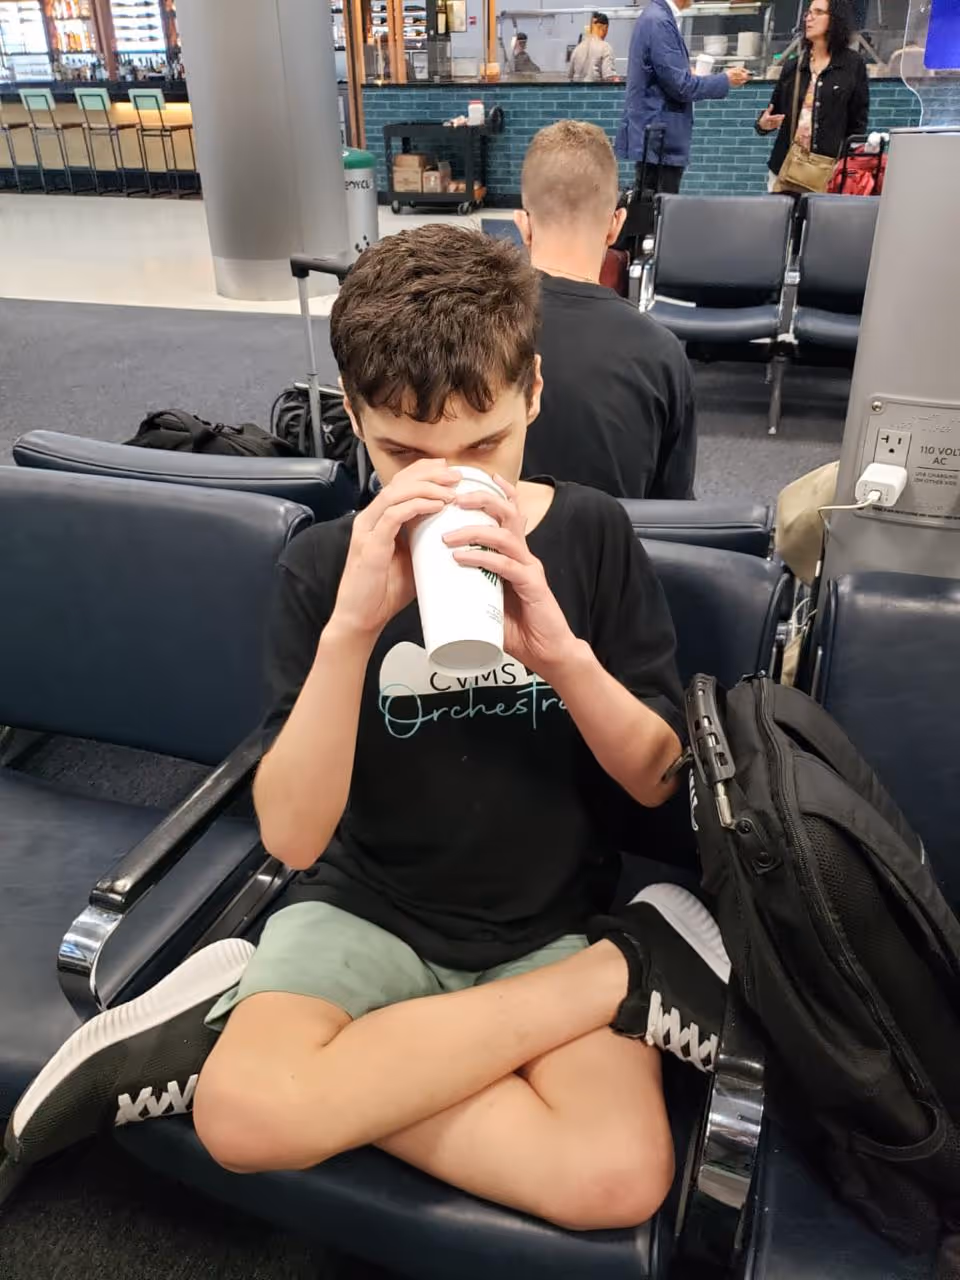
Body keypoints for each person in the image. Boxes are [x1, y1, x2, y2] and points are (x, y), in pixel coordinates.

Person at [5, 226, 732, 1233]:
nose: (444, 482)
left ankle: (261, 1036)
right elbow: (296, 839)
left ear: (532, 393)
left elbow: (658, 780)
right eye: (401, 454)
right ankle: (631, 968)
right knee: (241, 1117)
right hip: (366, 908)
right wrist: (353, 626)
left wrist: (562, 653)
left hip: (547, 921)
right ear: (354, 419)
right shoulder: (322, 568)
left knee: (615, 1177)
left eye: (481, 446)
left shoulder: (595, 531)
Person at [516, 120, 696, 500]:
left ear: (523, 225)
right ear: (616, 225)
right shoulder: (661, 352)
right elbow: (673, 509)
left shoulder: (470, 331)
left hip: (487, 553)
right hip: (617, 554)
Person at [617, 0, 751, 242]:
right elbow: (681, 87)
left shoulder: (657, 17)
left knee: (650, 215)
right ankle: (646, 273)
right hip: (659, 139)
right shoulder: (659, 21)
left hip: (656, 136)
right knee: (654, 222)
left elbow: (673, 78)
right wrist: (725, 80)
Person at [756, 0, 868, 192]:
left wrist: (848, 165)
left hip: (828, 172)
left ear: (835, 19)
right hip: (786, 168)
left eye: (818, 12)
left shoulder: (852, 64)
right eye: (808, 13)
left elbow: (858, 123)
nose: (809, 18)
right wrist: (763, 124)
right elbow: (773, 110)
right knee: (780, 222)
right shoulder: (794, 66)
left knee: (820, 222)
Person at [568, 11, 617, 82]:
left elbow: (570, 76)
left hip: (578, 92)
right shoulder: (605, 47)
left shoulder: (577, 48)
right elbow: (609, 77)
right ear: (605, 28)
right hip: (596, 92)